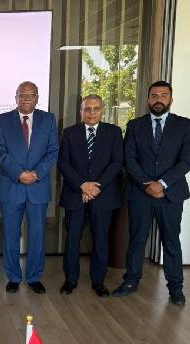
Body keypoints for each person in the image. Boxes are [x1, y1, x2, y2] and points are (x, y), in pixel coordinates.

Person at [113, 81, 190, 306]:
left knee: (171, 241)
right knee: (137, 239)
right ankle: (131, 281)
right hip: (140, 193)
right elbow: (129, 158)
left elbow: (186, 161)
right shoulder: (134, 125)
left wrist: (162, 184)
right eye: (154, 95)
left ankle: (176, 288)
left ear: (171, 99)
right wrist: (147, 184)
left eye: (163, 95)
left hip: (171, 194)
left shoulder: (184, 125)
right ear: (148, 99)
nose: (159, 99)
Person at [0, 81, 58, 295]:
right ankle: (13, 277)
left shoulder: (48, 120)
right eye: (22, 94)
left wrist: (36, 173)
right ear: (16, 97)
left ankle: (34, 277)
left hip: (38, 187)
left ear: (37, 98)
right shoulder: (2, 120)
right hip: (12, 186)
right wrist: (19, 174)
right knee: (11, 235)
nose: (26, 98)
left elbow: (53, 151)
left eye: (31, 95)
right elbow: (1, 152)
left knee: (37, 236)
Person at [58, 94, 124, 297]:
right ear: (81, 111)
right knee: (72, 239)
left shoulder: (114, 132)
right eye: (87, 109)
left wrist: (95, 187)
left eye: (96, 108)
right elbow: (63, 163)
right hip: (75, 194)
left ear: (103, 110)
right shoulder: (70, 133)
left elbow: (117, 163)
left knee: (101, 240)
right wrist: (82, 185)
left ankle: (98, 281)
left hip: (103, 196)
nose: (92, 112)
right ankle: (70, 280)